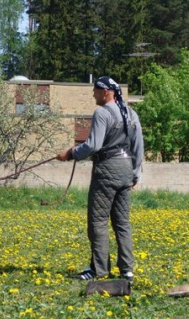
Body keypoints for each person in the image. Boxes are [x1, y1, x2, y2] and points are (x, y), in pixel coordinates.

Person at [57, 76, 144, 282]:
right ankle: (127, 271)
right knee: (122, 223)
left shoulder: (102, 113)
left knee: (98, 222)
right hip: (126, 169)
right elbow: (138, 146)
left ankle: (99, 270)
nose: (93, 94)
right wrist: (136, 174)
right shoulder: (131, 114)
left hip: (106, 170)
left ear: (106, 92)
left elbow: (93, 145)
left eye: (95, 90)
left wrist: (71, 153)